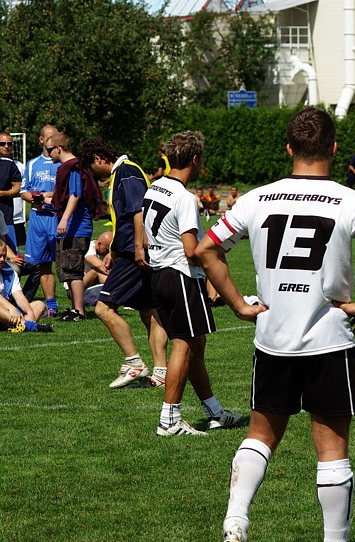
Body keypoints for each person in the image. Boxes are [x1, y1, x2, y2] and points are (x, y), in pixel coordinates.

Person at [196, 106, 355, 542]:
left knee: (260, 435)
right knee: (332, 450)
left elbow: (207, 249)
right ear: (334, 149)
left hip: (273, 338)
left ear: (289, 148)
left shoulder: (256, 199)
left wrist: (239, 305)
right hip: (328, 339)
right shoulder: (350, 201)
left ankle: (236, 520)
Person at [143, 130, 241, 435]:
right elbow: (190, 250)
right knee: (184, 346)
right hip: (180, 277)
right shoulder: (185, 198)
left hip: (159, 275)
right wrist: (218, 250)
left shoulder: (155, 187)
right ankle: (169, 419)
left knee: (196, 344)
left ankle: (214, 412)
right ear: (195, 159)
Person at [81, 138, 168, 389]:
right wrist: (114, 251)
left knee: (103, 309)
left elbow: (138, 211)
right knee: (148, 310)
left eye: (91, 167)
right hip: (130, 250)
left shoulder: (126, 172)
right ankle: (161, 372)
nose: (94, 173)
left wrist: (138, 247)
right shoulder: (124, 171)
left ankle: (134, 362)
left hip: (134, 252)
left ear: (98, 158)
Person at [50, 133, 102, 322]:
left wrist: (64, 220)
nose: (48, 153)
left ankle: (79, 311)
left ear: (58, 148)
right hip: (71, 226)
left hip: (76, 228)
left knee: (73, 269)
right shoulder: (69, 167)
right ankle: (74, 309)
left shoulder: (73, 168)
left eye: (50, 150)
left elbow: (75, 195)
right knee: (67, 268)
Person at [20, 125, 61, 314]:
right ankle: (52, 306)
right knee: (43, 264)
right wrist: (34, 198)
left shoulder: (62, 163)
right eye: (50, 137)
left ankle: (77, 304)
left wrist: (46, 197)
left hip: (58, 217)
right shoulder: (32, 164)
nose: (53, 140)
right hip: (38, 218)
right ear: (41, 139)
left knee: (65, 262)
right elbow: (23, 191)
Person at [0, 131, 27, 247]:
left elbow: (25, 189)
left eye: (9, 144)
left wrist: (7, 193)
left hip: (17, 218)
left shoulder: (20, 166)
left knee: (18, 252)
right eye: (2, 144)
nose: (6, 146)